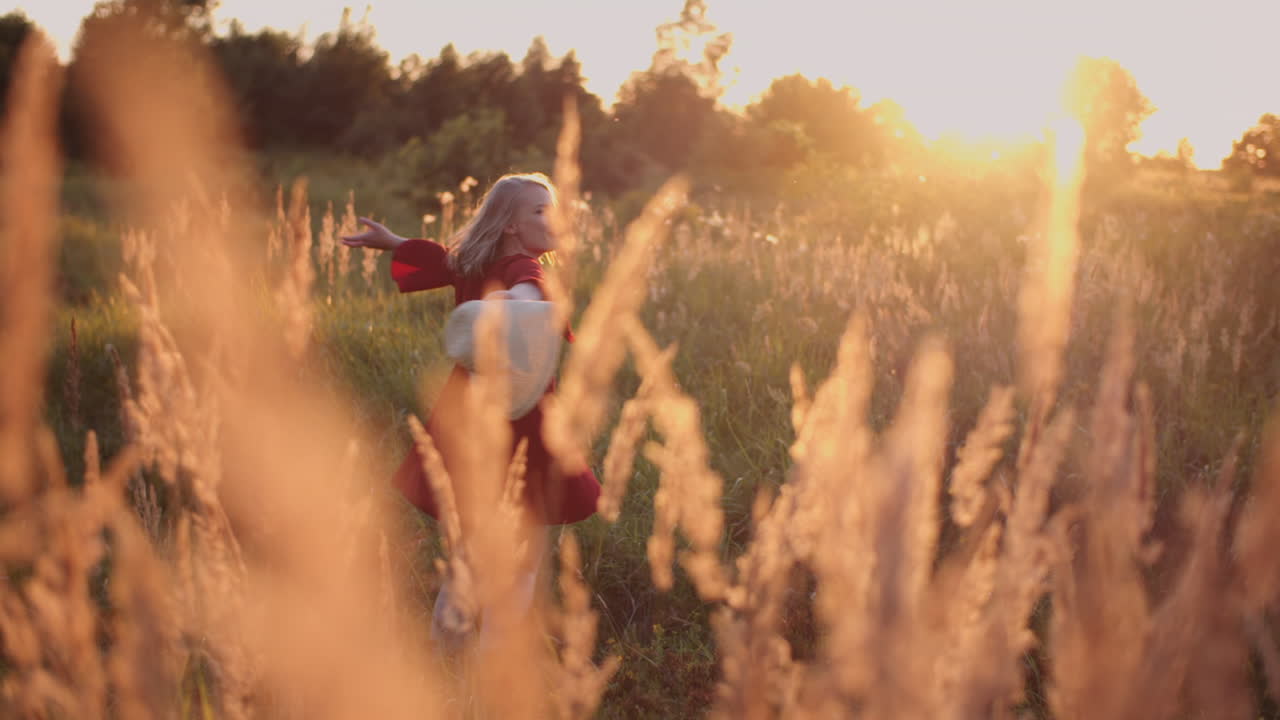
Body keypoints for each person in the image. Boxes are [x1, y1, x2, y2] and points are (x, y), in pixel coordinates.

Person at [342, 172, 600, 645]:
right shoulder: (524, 266)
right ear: (511, 225)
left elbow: (443, 259)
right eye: (540, 210)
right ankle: (491, 659)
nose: (554, 218)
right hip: (520, 422)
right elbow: (527, 292)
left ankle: (446, 645)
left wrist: (393, 242)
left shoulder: (475, 263)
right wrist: (511, 302)